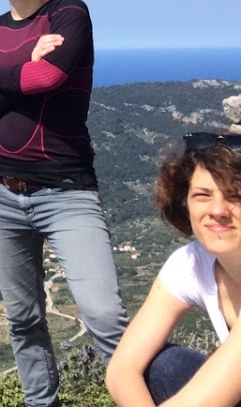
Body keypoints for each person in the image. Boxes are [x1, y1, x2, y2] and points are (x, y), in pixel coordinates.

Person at [0, 0, 128, 406]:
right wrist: (19, 70)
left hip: (66, 190)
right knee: (23, 319)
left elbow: (47, 77)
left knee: (104, 316)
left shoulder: (69, 13)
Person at [105, 133, 241, 406]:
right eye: (202, 195)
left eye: (236, 195)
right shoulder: (192, 263)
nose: (218, 210)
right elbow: (122, 370)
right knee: (164, 364)